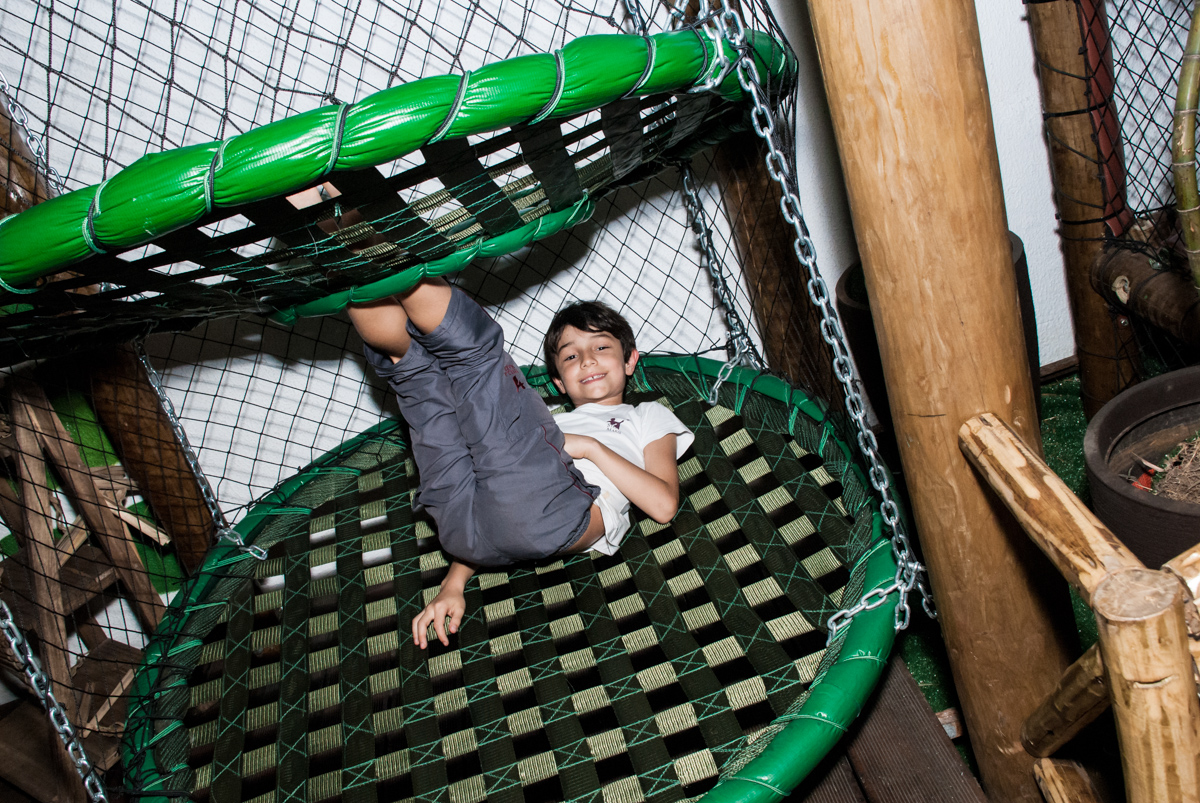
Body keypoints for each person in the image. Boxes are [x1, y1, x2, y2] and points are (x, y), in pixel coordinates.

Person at [349, 281, 692, 650]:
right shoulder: (544, 421)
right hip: (466, 535)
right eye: (571, 356)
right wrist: (452, 585)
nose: (587, 359)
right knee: (417, 374)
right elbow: (500, 493)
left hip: (555, 515)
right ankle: (354, 254)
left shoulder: (645, 415)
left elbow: (663, 505)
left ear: (630, 360)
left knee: (473, 359)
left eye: (601, 347)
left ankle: (354, 246)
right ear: (559, 382)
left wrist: (591, 448)